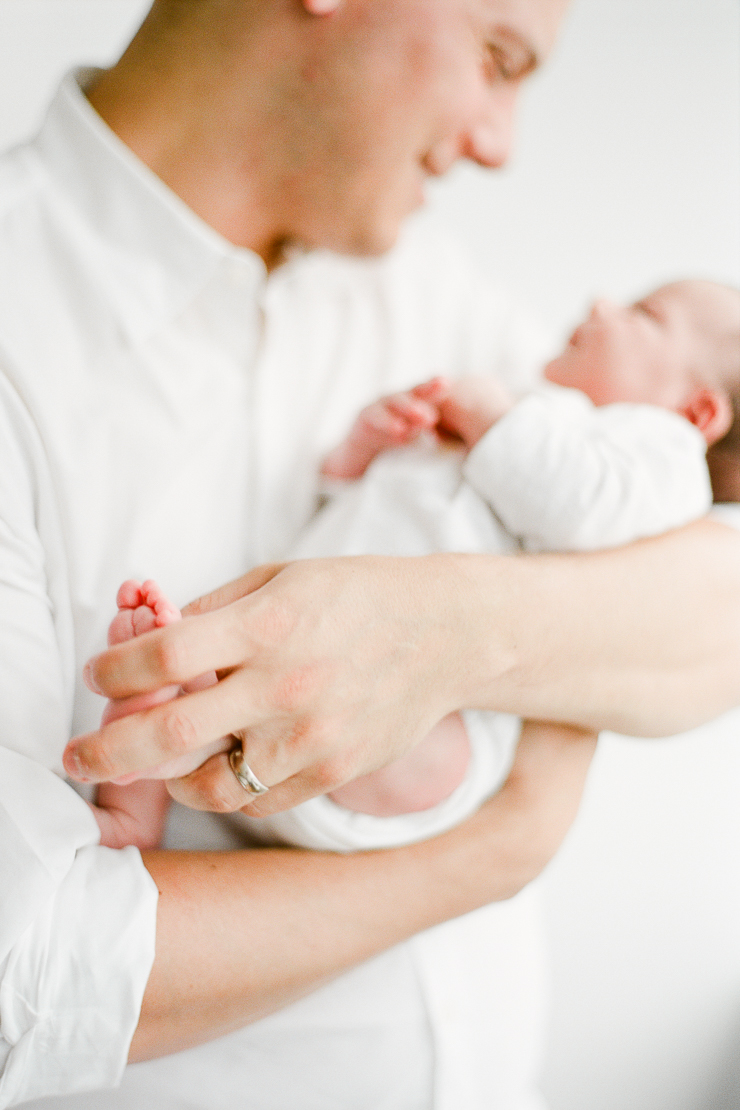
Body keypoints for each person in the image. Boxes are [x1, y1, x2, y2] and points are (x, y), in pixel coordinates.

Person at [2, 1, 740, 1107]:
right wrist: (489, 853)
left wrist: (447, 629)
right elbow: (33, 977)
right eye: (497, 59)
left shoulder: (415, 284)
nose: (501, 143)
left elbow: (709, 590)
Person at [88, 279, 740, 853]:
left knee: (437, 762)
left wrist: (490, 417)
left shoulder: (659, 459)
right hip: (294, 664)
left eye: (644, 314)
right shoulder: (527, 409)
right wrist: (365, 447)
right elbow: (350, 510)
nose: (602, 301)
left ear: (700, 411)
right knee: (210, 653)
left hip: (406, 732)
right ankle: (137, 798)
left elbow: (581, 508)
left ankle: (188, 711)